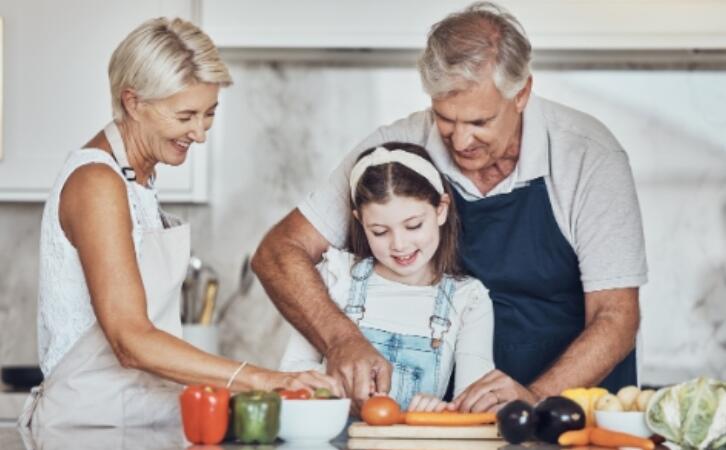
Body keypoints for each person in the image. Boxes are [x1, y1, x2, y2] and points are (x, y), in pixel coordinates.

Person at [253, 0, 647, 414]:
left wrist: (533, 400)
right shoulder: (396, 151)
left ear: (522, 93)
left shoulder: (588, 156)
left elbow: (616, 316)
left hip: (567, 411)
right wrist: (340, 338)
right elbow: (279, 252)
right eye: (445, 119)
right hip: (448, 422)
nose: (460, 142)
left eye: (479, 122)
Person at [22, 17, 340, 429]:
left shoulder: (137, 180)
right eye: (185, 115)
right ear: (133, 102)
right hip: (89, 429)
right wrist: (262, 379)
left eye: (209, 114)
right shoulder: (96, 183)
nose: (200, 133)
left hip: (138, 421)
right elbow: (130, 340)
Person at [279, 143, 494, 412]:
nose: (399, 245)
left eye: (413, 225)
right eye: (380, 231)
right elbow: (292, 371)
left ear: (441, 209)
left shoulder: (469, 299)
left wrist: (440, 411)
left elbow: (473, 404)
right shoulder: (337, 275)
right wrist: (333, 390)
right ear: (360, 221)